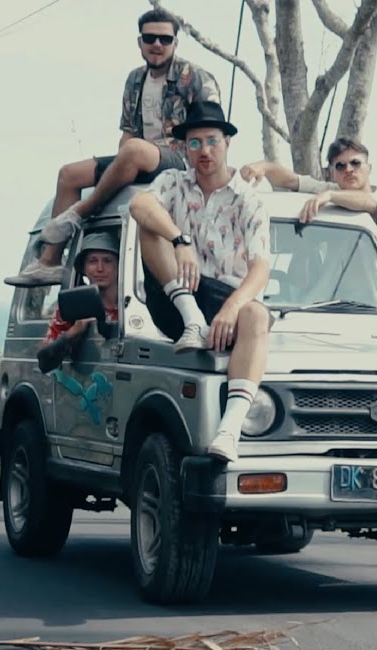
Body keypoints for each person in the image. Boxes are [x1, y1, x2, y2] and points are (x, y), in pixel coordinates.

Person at [6, 8, 222, 287]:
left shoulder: (196, 77)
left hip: (180, 159)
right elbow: (128, 132)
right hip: (139, 157)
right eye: (150, 38)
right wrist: (119, 171)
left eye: (165, 39)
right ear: (140, 42)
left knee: (134, 150)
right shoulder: (135, 79)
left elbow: (211, 130)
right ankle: (50, 261)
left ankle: (78, 213)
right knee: (69, 174)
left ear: (175, 43)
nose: (157, 44)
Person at [128, 101, 272, 463]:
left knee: (257, 315)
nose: (204, 151)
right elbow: (139, 206)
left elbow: (260, 268)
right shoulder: (173, 182)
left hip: (224, 299)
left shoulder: (249, 199)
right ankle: (193, 321)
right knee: (151, 223)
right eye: (194, 143)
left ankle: (230, 430)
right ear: (184, 147)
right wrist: (181, 241)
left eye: (211, 141)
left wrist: (232, 308)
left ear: (227, 143)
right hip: (176, 299)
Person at [239, 137, 377, 252]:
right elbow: (292, 180)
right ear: (333, 173)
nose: (348, 169)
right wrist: (265, 167)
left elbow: (369, 203)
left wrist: (329, 196)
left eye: (355, 163)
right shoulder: (331, 190)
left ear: (369, 168)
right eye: (340, 166)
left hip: (371, 289)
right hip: (332, 287)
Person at [36, 232, 120, 373]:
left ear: (119, 265)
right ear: (83, 269)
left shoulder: (136, 302)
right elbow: (44, 361)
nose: (100, 268)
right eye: (93, 261)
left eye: (107, 261)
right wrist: (73, 333)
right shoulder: (74, 305)